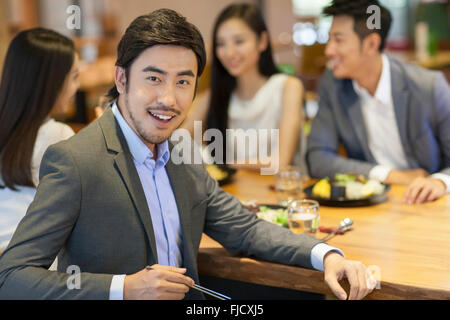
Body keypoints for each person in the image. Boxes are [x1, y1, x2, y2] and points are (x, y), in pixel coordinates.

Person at [0, 9, 374, 300]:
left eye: (183, 81)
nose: (168, 98)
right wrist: (124, 289)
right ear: (121, 79)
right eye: (153, 78)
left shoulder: (181, 150)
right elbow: (11, 277)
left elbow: (243, 228)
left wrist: (327, 255)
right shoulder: (75, 160)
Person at [307, 0, 450, 204]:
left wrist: (440, 182)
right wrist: (389, 175)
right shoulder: (334, 84)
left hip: (427, 204)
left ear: (371, 44)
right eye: (329, 39)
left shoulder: (429, 87)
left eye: (338, 40)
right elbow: (318, 158)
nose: (328, 51)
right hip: (374, 205)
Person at [182, 3, 304, 172]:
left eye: (239, 41)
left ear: (262, 41)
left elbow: (281, 162)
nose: (229, 52)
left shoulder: (288, 87)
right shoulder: (215, 94)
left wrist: (224, 164)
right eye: (221, 44)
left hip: (278, 192)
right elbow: (177, 143)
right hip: (234, 194)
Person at [0, 28, 79, 252]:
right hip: (33, 270)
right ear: (51, 82)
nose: (77, 86)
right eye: (74, 76)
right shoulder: (58, 136)